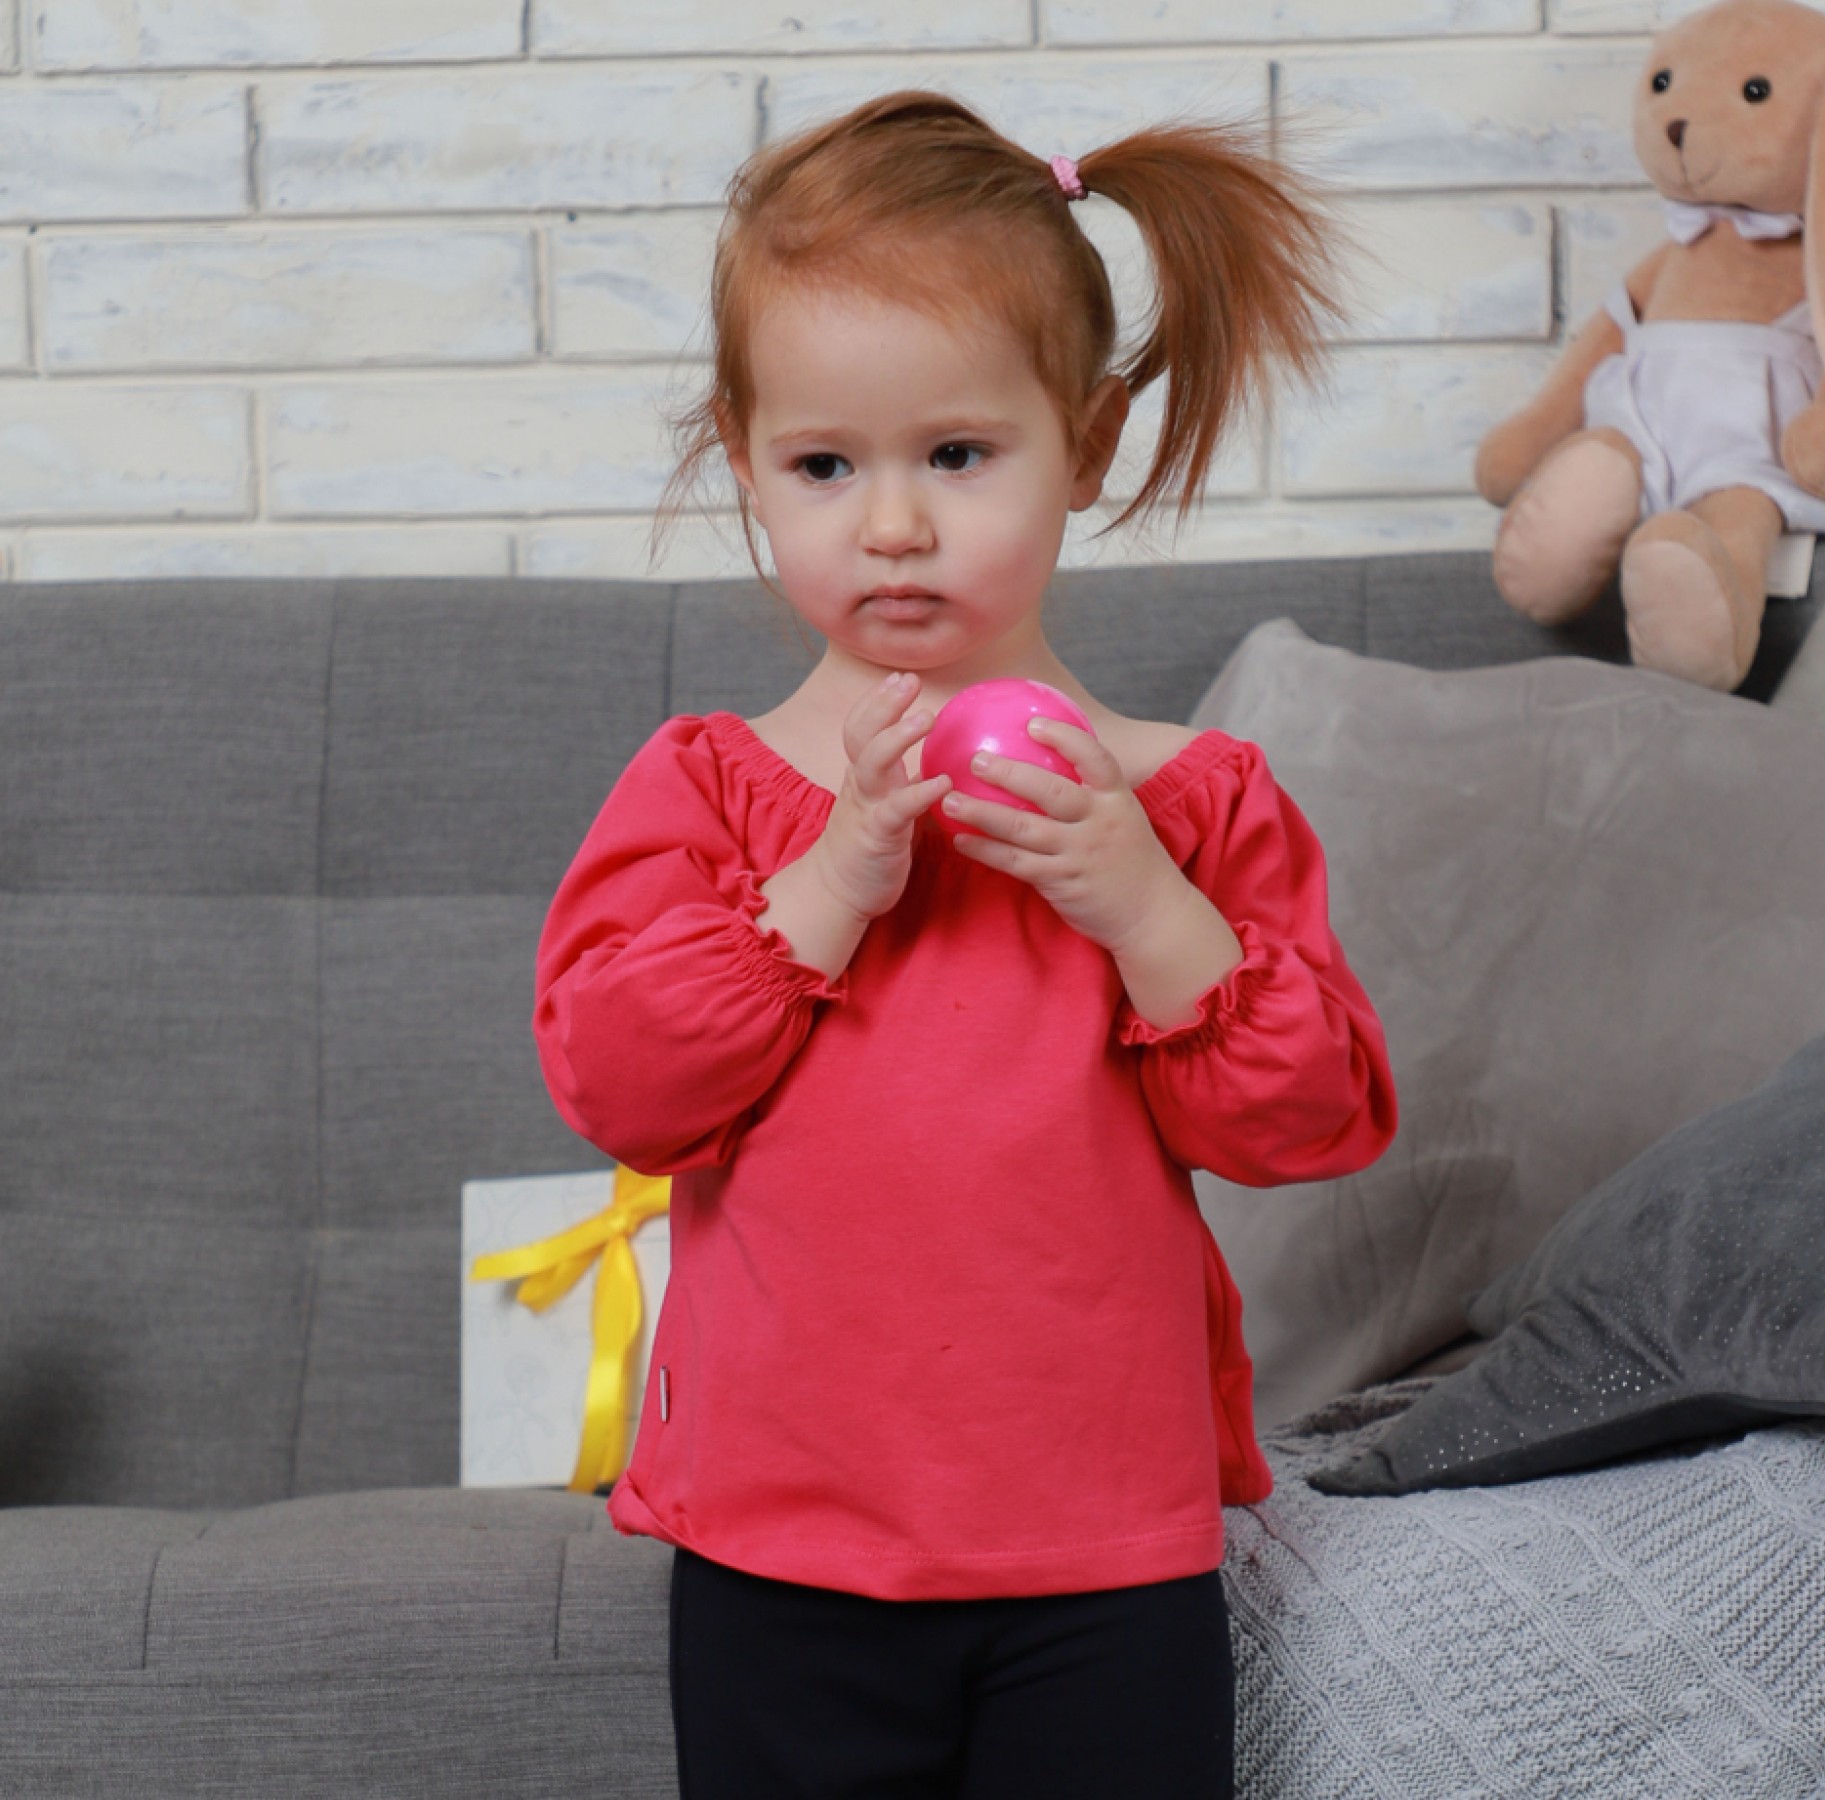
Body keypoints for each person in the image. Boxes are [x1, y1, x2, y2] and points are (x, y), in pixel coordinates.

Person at [533, 89, 1399, 1800]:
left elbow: (1307, 1123)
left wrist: (1143, 905)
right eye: (826, 466)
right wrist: (830, 883)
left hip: (1106, 1549)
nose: (895, 525)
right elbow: (622, 1088)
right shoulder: (710, 789)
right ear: (743, 459)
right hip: (784, 1550)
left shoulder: (1186, 801)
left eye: (957, 455)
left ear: (1087, 442)